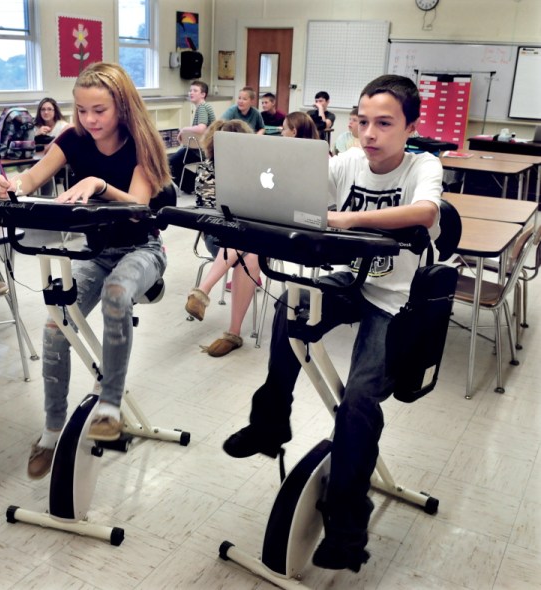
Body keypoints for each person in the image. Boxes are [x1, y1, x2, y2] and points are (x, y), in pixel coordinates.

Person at [223, 75, 442, 573]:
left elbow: (427, 213)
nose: (370, 133)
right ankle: (271, 421)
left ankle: (347, 528)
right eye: (362, 121)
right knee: (288, 308)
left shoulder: (422, 165)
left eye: (384, 123)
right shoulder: (345, 162)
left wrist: (349, 220)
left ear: (410, 125)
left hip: (394, 298)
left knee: (360, 401)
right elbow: (298, 196)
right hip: (348, 281)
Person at [0, 62, 171, 479]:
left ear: (122, 107)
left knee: (118, 294)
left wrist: (99, 185)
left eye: (99, 111)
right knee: (55, 328)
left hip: (143, 246)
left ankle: (109, 405)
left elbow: (140, 206)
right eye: (82, 110)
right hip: (96, 252)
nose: (89, 120)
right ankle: (52, 430)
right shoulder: (72, 138)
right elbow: (30, 179)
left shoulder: (142, 142)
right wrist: (5, 186)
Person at [185, 119, 260, 357]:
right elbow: (213, 215)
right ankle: (233, 333)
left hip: (247, 240)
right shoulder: (209, 170)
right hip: (218, 239)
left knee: (250, 255)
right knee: (249, 250)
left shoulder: (256, 171)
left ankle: (202, 292)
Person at [169, 80, 216, 193]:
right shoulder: (205, 107)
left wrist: (184, 129)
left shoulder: (202, 107)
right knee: (177, 158)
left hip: (201, 150)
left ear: (203, 94)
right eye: (190, 90)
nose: (191, 93)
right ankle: (194, 184)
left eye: (195, 91)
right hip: (205, 148)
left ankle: (191, 185)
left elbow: (201, 128)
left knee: (170, 163)